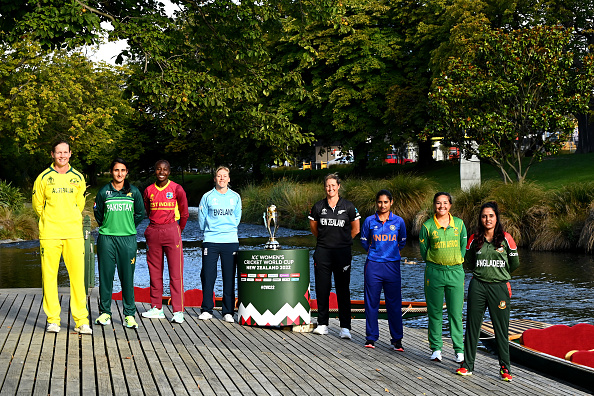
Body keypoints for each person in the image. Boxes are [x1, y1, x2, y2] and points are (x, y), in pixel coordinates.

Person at [32, 140, 92, 334]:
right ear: (52, 154)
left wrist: (69, 217)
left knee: (77, 278)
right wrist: (51, 220)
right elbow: (37, 206)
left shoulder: (78, 177)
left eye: (65, 152)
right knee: (49, 277)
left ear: (70, 154)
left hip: (73, 233)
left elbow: (80, 203)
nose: (62, 156)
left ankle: (81, 320)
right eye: (59, 153)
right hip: (50, 234)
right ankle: (53, 320)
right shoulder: (43, 178)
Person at [456, 201, 519, 382]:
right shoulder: (475, 238)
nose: (487, 219)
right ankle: (467, 365)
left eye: (491, 215)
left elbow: (515, 263)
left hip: (499, 287)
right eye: (484, 216)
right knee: (472, 325)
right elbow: (468, 261)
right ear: (480, 219)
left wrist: (502, 276)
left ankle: (505, 368)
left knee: (501, 329)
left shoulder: (507, 238)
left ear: (496, 217)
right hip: (478, 286)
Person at [94, 159, 145, 329]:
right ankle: (105, 313)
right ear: (111, 172)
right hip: (107, 239)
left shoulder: (134, 192)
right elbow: (98, 214)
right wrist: (109, 226)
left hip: (128, 240)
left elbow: (140, 214)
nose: (120, 173)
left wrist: (128, 227)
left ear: (127, 172)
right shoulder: (104, 192)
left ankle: (129, 315)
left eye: (123, 170)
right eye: (116, 170)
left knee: (127, 278)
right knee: (106, 277)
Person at [309, 173, 360, 339]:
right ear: (324, 187)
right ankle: (323, 324)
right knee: (322, 289)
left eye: (333, 185)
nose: (330, 188)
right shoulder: (318, 207)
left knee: (342, 289)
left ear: (339, 186)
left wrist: (342, 241)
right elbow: (314, 229)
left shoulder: (349, 206)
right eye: (327, 185)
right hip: (323, 252)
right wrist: (326, 242)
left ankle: (345, 327)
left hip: (342, 253)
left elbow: (356, 229)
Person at [419, 192, 467, 363]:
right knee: (435, 312)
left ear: (450, 205)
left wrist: (454, 262)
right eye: (438, 203)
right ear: (434, 205)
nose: (442, 206)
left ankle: (459, 351)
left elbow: (463, 249)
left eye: (445, 203)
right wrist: (437, 263)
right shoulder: (427, 226)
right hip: (434, 273)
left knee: (455, 313)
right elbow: (425, 253)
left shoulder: (460, 225)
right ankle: (436, 349)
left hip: (455, 272)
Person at [142, 160, 189, 323]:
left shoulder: (176, 188)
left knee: (175, 273)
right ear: (154, 171)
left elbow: (184, 214)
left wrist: (176, 230)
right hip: (154, 231)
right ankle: (157, 308)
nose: (161, 172)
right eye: (158, 169)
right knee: (154, 271)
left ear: (169, 172)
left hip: (171, 230)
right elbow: (147, 210)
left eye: (165, 169)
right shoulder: (148, 190)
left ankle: (178, 311)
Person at [360, 189, 407, 350]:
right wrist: (376, 253)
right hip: (373, 265)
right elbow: (365, 242)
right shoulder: (369, 221)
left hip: (392, 266)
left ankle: (396, 340)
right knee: (371, 302)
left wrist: (391, 253)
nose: (382, 205)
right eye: (380, 202)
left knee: (394, 303)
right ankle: (371, 338)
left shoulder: (399, 221)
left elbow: (402, 242)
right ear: (376, 203)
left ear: (391, 202)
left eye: (386, 202)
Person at [198, 166, 242, 322]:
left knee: (229, 276)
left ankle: (228, 311)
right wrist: (209, 232)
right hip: (211, 240)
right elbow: (202, 219)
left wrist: (227, 231)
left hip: (230, 241)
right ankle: (207, 309)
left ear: (229, 179)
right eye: (219, 176)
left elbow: (237, 218)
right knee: (208, 275)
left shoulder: (235, 197)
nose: (222, 178)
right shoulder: (207, 196)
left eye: (225, 176)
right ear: (215, 179)